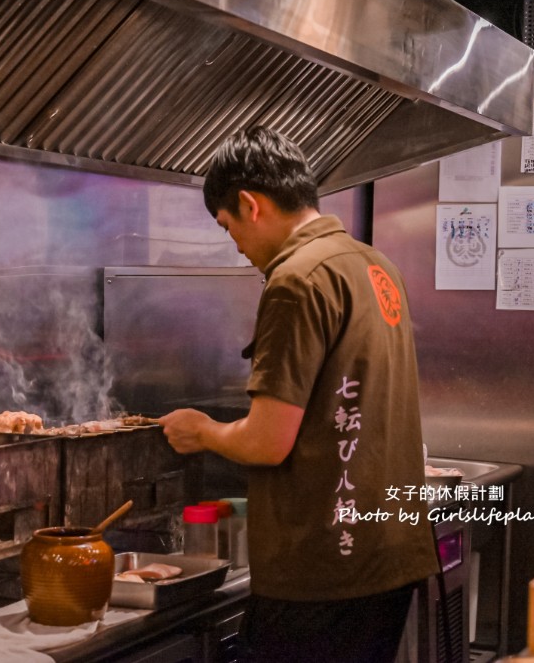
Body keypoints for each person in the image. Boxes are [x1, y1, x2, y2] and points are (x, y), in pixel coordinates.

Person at [159, 126, 439, 662]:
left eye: (227, 227)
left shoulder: (296, 279)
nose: (237, 247)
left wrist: (203, 431)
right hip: (390, 553)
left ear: (250, 203)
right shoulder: (375, 265)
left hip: (322, 569)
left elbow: (268, 441)